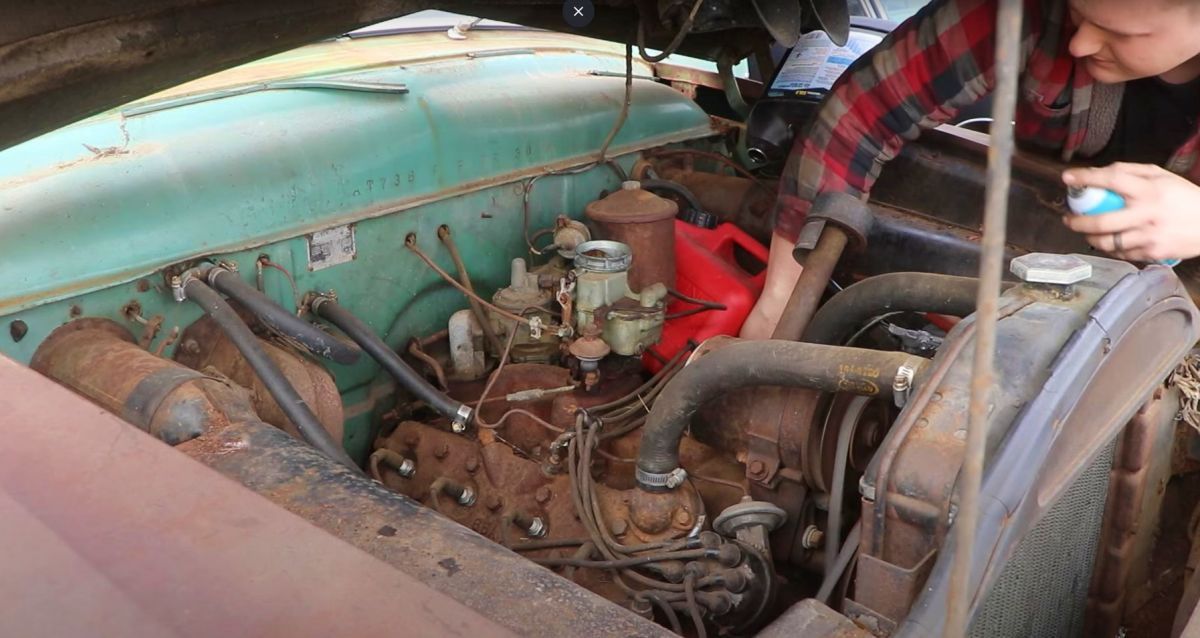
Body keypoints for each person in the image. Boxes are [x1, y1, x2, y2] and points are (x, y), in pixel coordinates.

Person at [741, 0, 1200, 339]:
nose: (1081, 43)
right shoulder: (1029, 11)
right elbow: (861, 115)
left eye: (1117, 33)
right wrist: (780, 304)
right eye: (1081, 15)